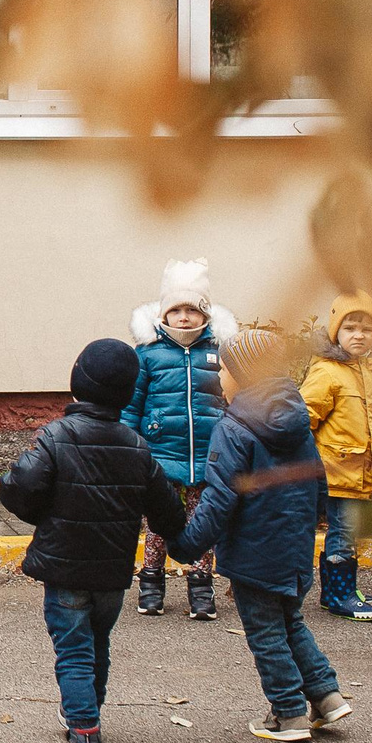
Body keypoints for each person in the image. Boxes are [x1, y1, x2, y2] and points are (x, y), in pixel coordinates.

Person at [0, 338, 188, 743]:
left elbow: (19, 487)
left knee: (73, 651)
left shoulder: (55, 437)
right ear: (128, 393)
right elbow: (168, 513)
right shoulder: (137, 447)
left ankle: (85, 736)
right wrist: (189, 540)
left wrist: (43, 515)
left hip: (65, 568)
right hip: (111, 573)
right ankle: (86, 713)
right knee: (96, 644)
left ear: (77, 382)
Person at [171, 336, 351, 743]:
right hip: (294, 544)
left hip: (253, 551)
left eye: (225, 370)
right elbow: (318, 482)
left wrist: (186, 545)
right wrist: (306, 526)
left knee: (266, 633)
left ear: (244, 374)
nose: (220, 378)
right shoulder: (296, 418)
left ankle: (288, 713)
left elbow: (219, 499)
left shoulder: (234, 427)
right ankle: (326, 695)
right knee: (289, 621)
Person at [122, 258, 236, 620]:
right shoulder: (148, 354)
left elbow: (231, 400)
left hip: (207, 455)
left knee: (204, 523)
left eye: (192, 310)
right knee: (158, 525)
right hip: (160, 455)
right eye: (176, 310)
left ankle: (200, 586)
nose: (184, 318)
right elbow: (132, 405)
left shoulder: (217, 352)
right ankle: (151, 582)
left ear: (206, 314)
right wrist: (130, 446)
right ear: (163, 314)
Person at [301, 292, 372, 622]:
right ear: (336, 332)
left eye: (367, 329)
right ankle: (342, 594)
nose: (359, 335)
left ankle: (334, 592)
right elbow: (304, 418)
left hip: (366, 472)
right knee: (343, 532)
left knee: (347, 533)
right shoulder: (327, 372)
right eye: (350, 328)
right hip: (338, 471)